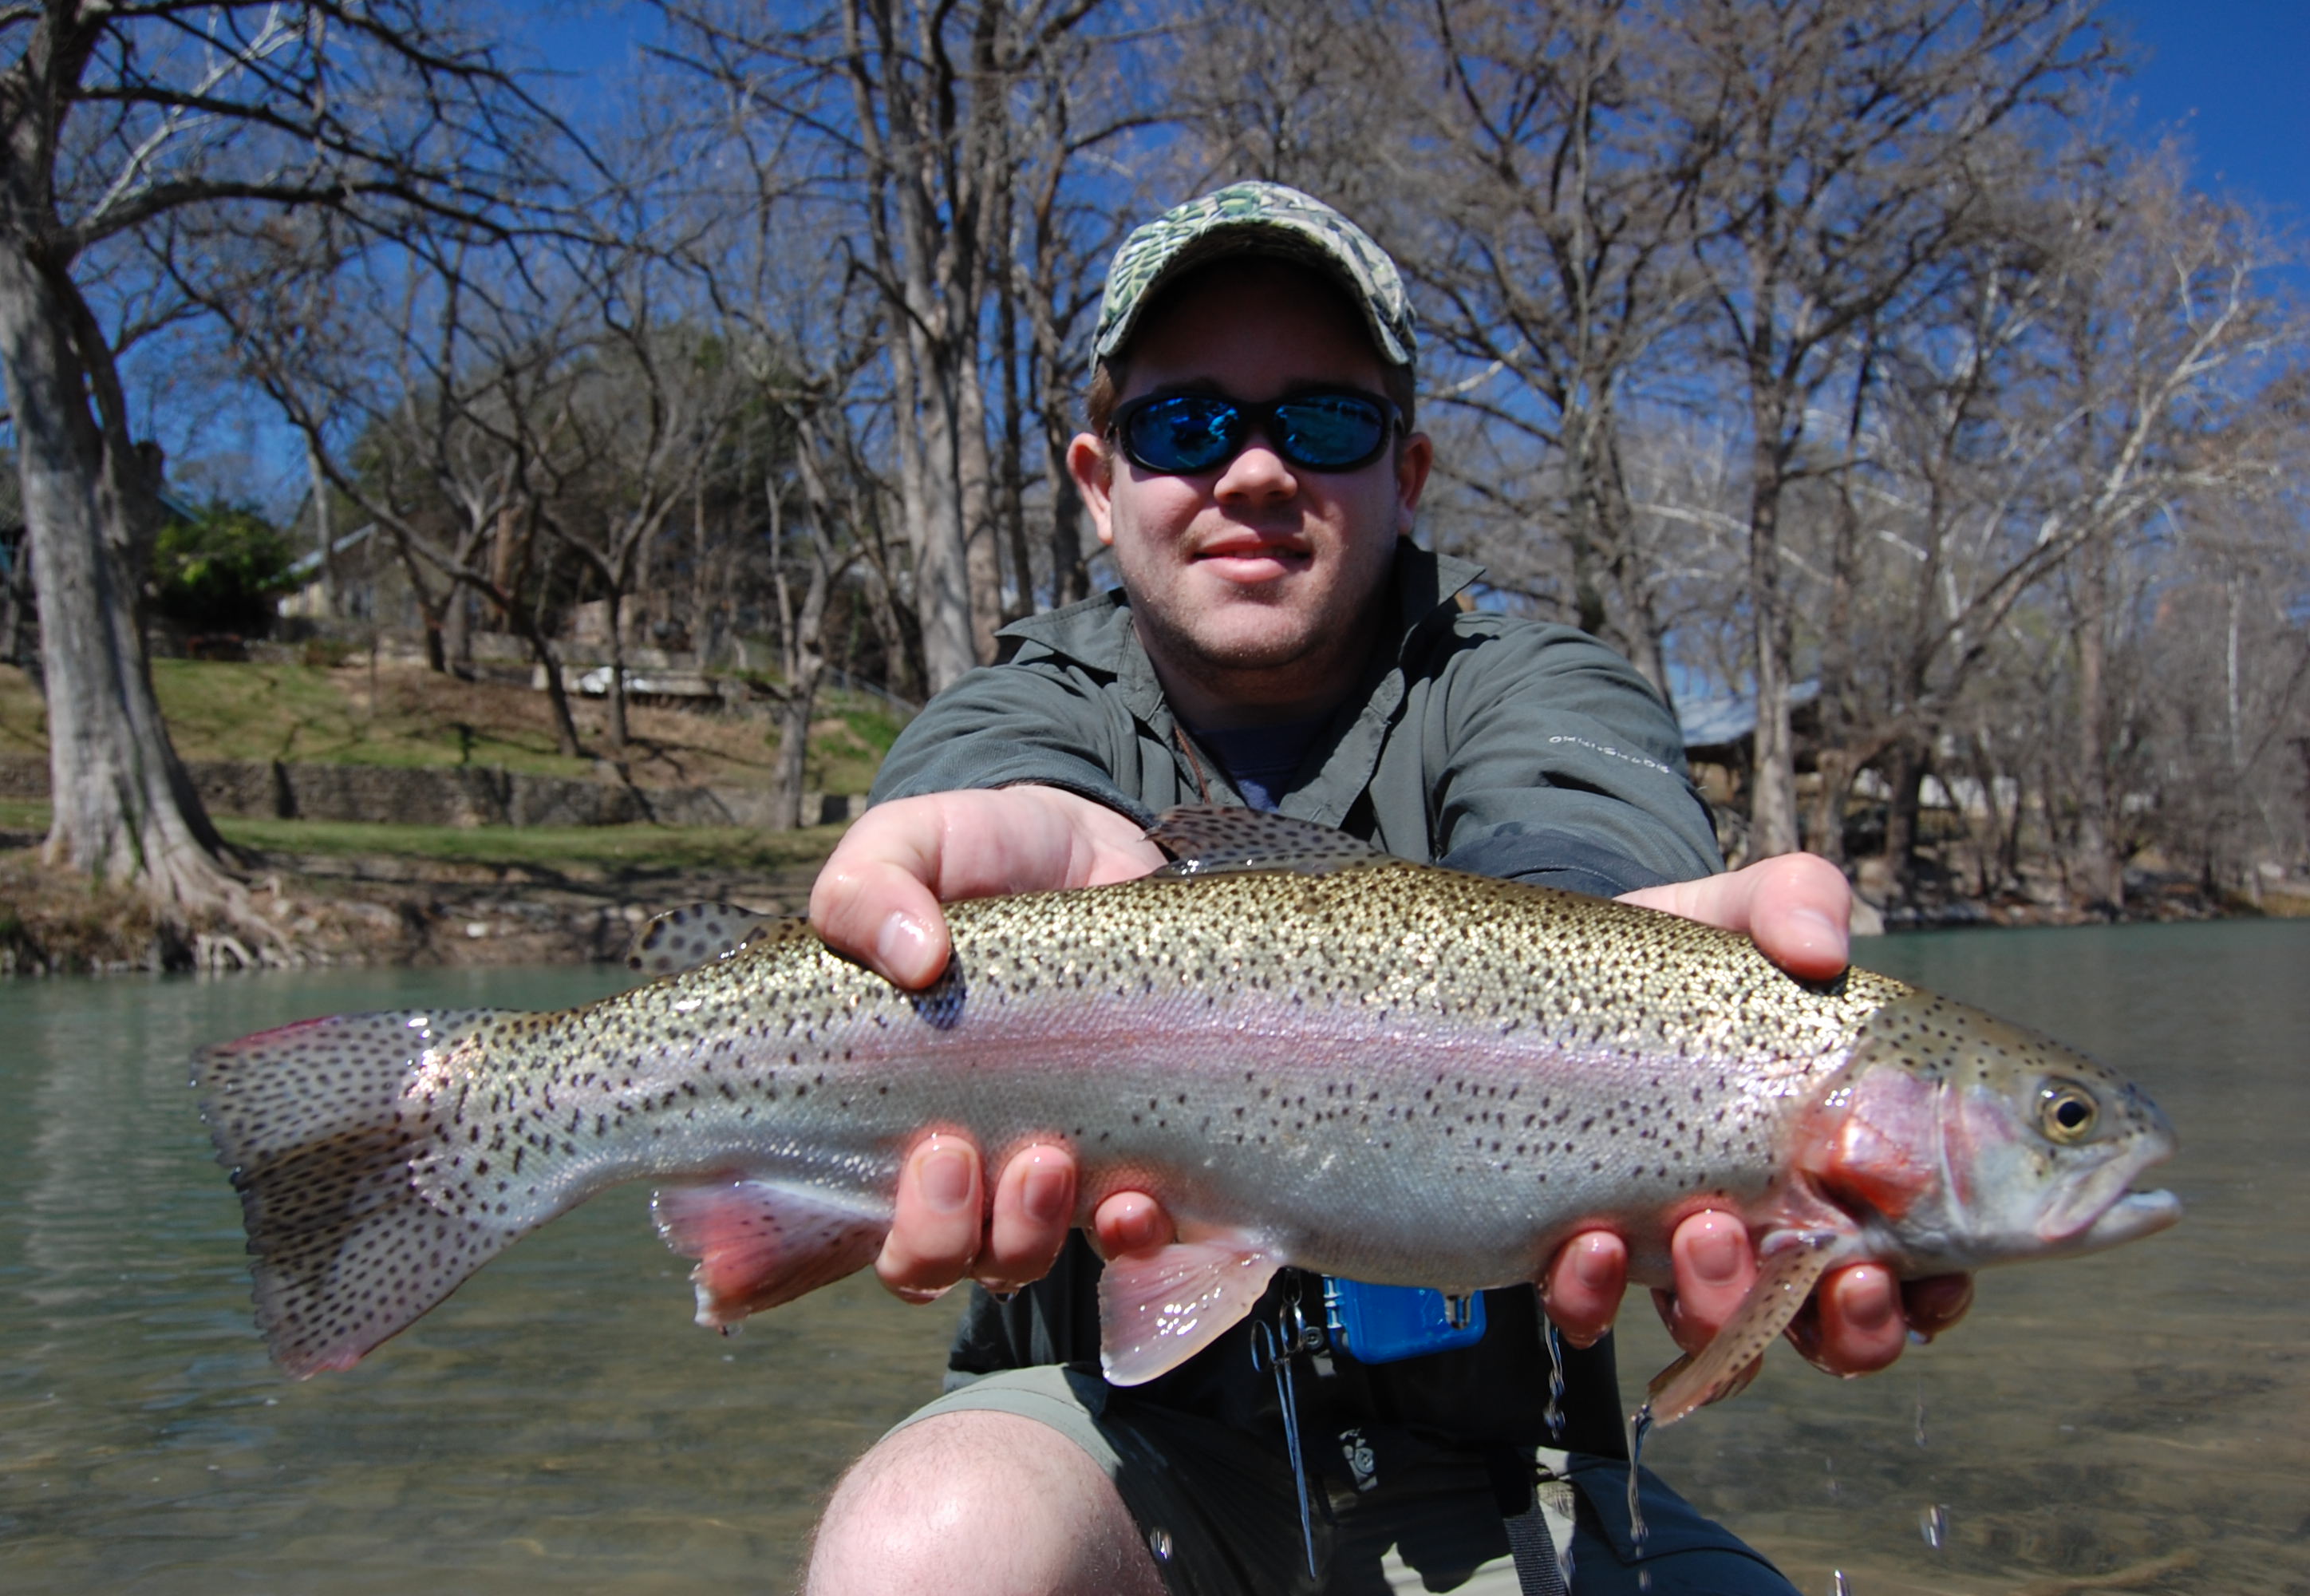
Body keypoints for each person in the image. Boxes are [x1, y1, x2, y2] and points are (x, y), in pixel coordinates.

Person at [798, 183, 1971, 1596]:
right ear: (1099, 484)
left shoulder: (1530, 678)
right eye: (1185, 425)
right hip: (1098, 1450)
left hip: (1507, 1477)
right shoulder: (1021, 712)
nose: (1252, 471)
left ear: (1405, 475)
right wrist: (1012, 833)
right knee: (925, 1543)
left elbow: (1585, 839)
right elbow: (988, 788)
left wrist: (1621, 977)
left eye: (1324, 422)